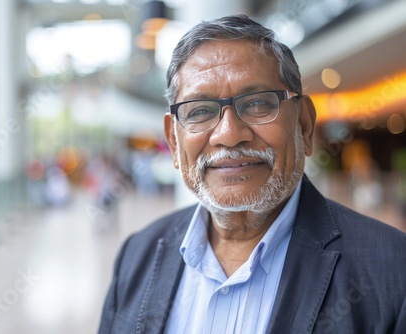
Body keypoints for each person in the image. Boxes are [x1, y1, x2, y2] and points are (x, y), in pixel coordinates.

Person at [98, 14, 406, 334]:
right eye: (200, 110)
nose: (229, 135)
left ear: (303, 125)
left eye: (258, 103)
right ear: (174, 141)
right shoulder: (137, 255)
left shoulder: (393, 272)